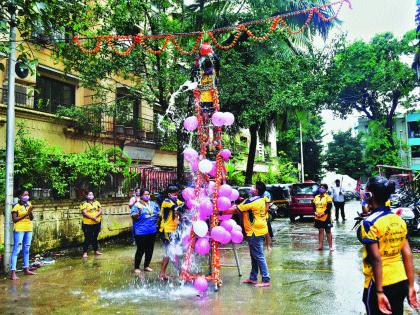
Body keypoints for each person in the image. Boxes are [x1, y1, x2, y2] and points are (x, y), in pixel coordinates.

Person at [360, 176, 419, 315]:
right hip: (401, 280)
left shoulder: (369, 223)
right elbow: (407, 254)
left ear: (369, 195)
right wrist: (411, 286)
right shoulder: (399, 220)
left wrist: (379, 292)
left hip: (379, 283)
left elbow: (376, 259)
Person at [224, 181, 271, 287]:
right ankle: (253, 277)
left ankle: (266, 279)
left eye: (254, 187)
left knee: (258, 256)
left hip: (255, 232)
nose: (251, 188)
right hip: (257, 230)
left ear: (257, 190)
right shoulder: (260, 199)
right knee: (254, 255)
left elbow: (236, 209)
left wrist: (219, 212)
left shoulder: (253, 202)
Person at [130, 188, 160, 278]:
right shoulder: (137, 205)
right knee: (140, 249)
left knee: (150, 249)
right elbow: (133, 216)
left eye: (148, 194)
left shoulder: (153, 204)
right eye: (145, 194)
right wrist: (138, 213)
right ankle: (136, 267)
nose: (148, 196)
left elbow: (158, 213)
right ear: (141, 195)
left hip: (152, 230)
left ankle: (146, 266)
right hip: (141, 232)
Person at [158, 185, 183, 280]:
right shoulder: (167, 201)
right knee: (171, 251)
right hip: (166, 230)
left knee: (170, 252)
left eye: (177, 194)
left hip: (173, 230)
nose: (176, 196)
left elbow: (184, 205)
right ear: (169, 194)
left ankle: (163, 273)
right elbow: (177, 208)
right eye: (174, 194)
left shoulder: (176, 201)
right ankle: (179, 273)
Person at [10, 190, 36, 280]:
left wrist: (30, 211)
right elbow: (14, 219)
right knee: (16, 250)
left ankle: (26, 269)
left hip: (28, 229)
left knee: (27, 249)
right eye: (25, 194)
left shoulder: (28, 204)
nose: (27, 196)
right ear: (20, 196)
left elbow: (31, 218)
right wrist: (26, 213)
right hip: (19, 229)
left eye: (28, 194)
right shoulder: (16, 206)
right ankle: (13, 272)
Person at [80, 192, 103, 258]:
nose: (91, 196)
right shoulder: (84, 203)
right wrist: (92, 218)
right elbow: (84, 212)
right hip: (87, 224)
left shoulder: (97, 202)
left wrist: (96, 216)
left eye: (92, 194)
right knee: (87, 237)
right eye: (89, 194)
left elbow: (100, 210)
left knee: (95, 237)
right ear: (86, 196)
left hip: (97, 223)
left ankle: (96, 251)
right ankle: (85, 252)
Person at [313, 184, 334, 251]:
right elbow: (313, 206)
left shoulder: (328, 197)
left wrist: (323, 214)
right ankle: (320, 246)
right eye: (320, 187)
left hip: (326, 217)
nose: (321, 188)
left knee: (328, 231)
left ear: (325, 189)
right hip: (318, 217)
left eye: (322, 188)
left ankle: (331, 247)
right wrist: (315, 212)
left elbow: (329, 207)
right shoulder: (316, 197)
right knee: (320, 231)